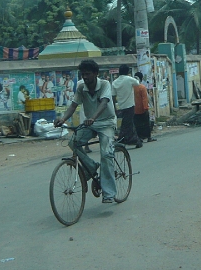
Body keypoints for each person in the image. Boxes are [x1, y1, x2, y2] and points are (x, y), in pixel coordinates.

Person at [54, 59, 118, 203]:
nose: (85, 77)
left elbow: (104, 102)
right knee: (73, 142)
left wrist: (94, 117)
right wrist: (63, 120)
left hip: (106, 122)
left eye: (88, 74)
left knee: (106, 154)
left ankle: (108, 193)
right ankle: (91, 166)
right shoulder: (81, 88)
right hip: (90, 123)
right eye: (83, 74)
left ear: (95, 73)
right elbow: (73, 106)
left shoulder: (105, 84)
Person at [112, 64, 142, 148]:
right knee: (127, 124)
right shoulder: (129, 79)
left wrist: (114, 108)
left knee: (129, 123)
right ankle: (122, 141)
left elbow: (113, 96)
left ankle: (136, 140)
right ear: (128, 71)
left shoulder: (115, 82)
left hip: (121, 106)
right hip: (130, 105)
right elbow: (137, 83)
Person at [133, 71, 153, 142]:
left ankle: (139, 137)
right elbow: (145, 99)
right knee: (146, 124)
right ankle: (148, 137)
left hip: (134, 110)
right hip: (142, 109)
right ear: (141, 79)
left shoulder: (132, 87)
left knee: (137, 125)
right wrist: (146, 108)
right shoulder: (142, 87)